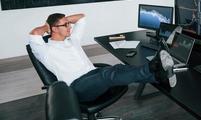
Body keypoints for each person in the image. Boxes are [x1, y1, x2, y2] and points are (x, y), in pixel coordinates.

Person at [29, 13, 177, 102]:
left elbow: (81, 18)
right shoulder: (45, 50)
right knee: (108, 74)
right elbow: (35, 33)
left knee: (119, 68)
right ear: (54, 29)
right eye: (65, 25)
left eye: (68, 24)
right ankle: (153, 66)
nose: (70, 27)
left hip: (93, 75)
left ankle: (159, 77)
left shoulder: (72, 40)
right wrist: (48, 26)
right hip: (77, 87)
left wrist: (63, 20)